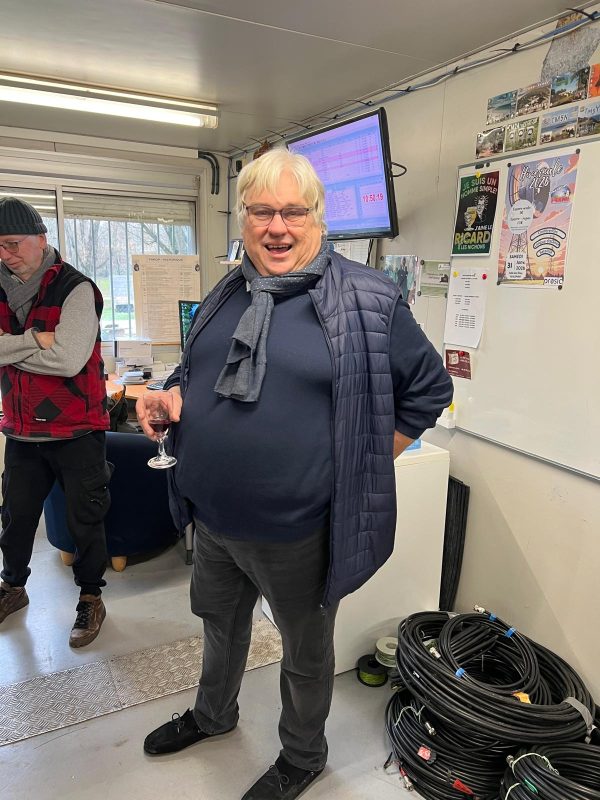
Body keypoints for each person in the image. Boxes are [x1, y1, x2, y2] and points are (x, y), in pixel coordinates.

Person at [137, 150, 453, 800]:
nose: (277, 227)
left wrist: (363, 461)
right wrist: (168, 395)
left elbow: (429, 390)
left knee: (305, 654)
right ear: (243, 219)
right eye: (261, 211)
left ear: (318, 217)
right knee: (220, 624)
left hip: (299, 530)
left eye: (293, 212)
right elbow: (196, 371)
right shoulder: (230, 289)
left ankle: (303, 756)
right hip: (213, 519)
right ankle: (213, 715)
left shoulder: (368, 299)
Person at [0, 197, 111, 647]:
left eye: (12, 244)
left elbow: (68, 360)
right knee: (15, 517)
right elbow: (52, 351)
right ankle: (12, 587)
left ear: (41, 239)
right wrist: (36, 339)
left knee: (86, 519)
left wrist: (9, 348)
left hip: (76, 428)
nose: (5, 254)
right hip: (21, 427)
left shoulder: (76, 288)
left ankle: (91, 597)